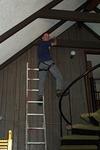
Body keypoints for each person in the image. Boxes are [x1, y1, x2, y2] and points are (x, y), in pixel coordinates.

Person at [37, 32, 64, 101]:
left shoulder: (41, 44)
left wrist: (49, 39)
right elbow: (55, 43)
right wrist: (54, 38)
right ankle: (59, 91)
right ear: (42, 38)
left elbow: (47, 48)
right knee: (59, 76)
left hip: (41, 64)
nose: (47, 37)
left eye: (47, 36)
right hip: (48, 62)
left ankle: (40, 95)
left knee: (41, 81)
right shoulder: (46, 43)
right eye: (45, 36)